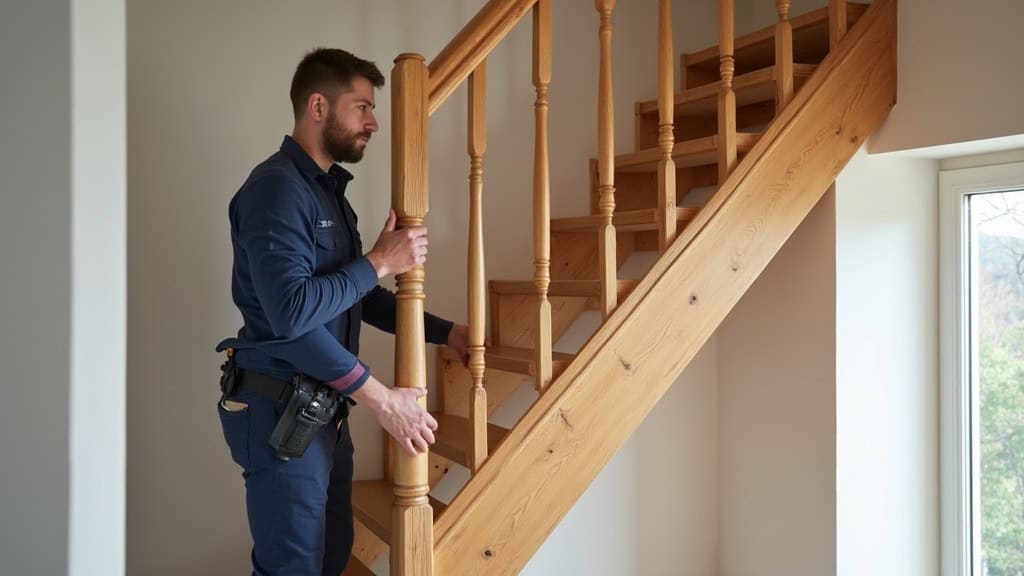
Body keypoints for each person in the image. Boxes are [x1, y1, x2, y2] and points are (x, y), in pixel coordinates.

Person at [216, 47, 469, 576]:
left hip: (326, 411)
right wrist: (379, 260)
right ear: (318, 107)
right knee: (294, 568)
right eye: (362, 107)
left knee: (332, 558)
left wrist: (447, 334)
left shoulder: (330, 194)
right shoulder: (275, 190)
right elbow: (292, 312)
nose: (374, 123)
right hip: (283, 415)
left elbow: (355, 296)